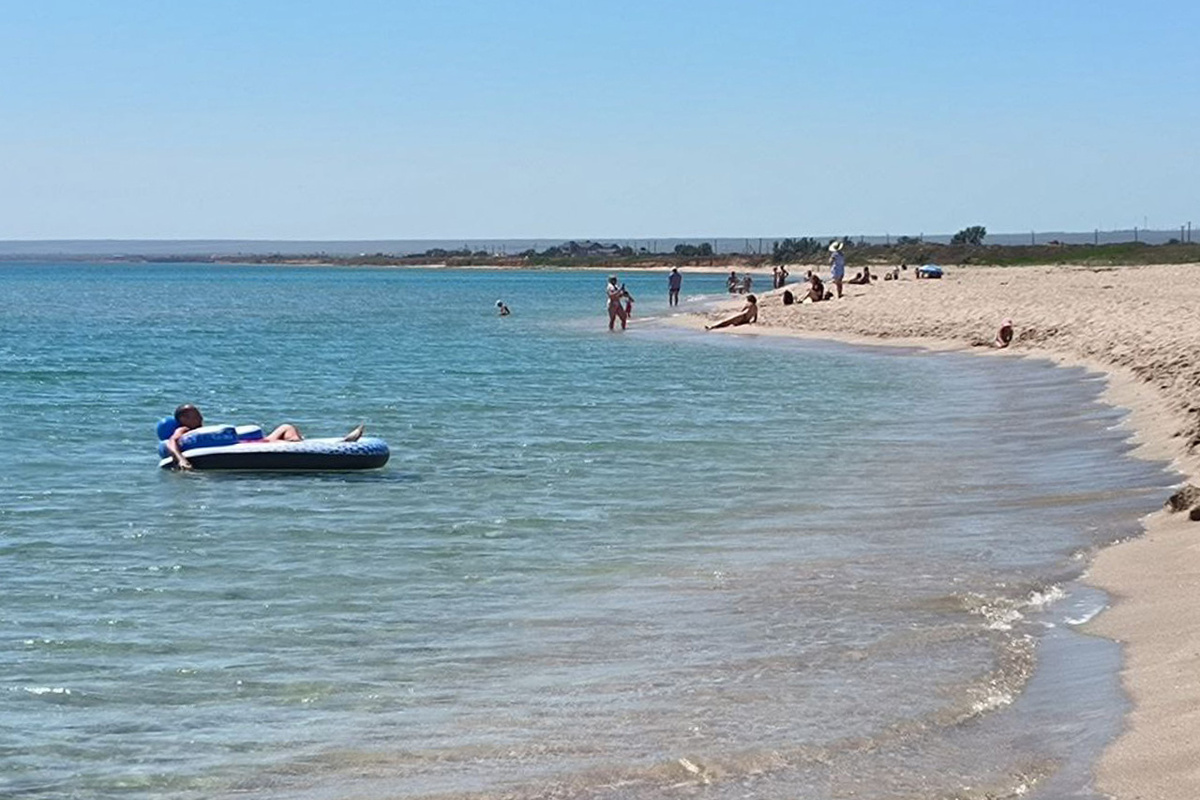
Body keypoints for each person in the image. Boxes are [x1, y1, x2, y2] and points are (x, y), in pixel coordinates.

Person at [164, 404, 364, 471]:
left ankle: (331, 445)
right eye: (194, 414)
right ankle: (339, 445)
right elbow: (172, 442)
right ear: (183, 418)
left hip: (243, 444)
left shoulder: (204, 431)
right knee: (284, 440)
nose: (200, 416)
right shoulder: (183, 430)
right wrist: (181, 459)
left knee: (286, 427)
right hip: (241, 448)